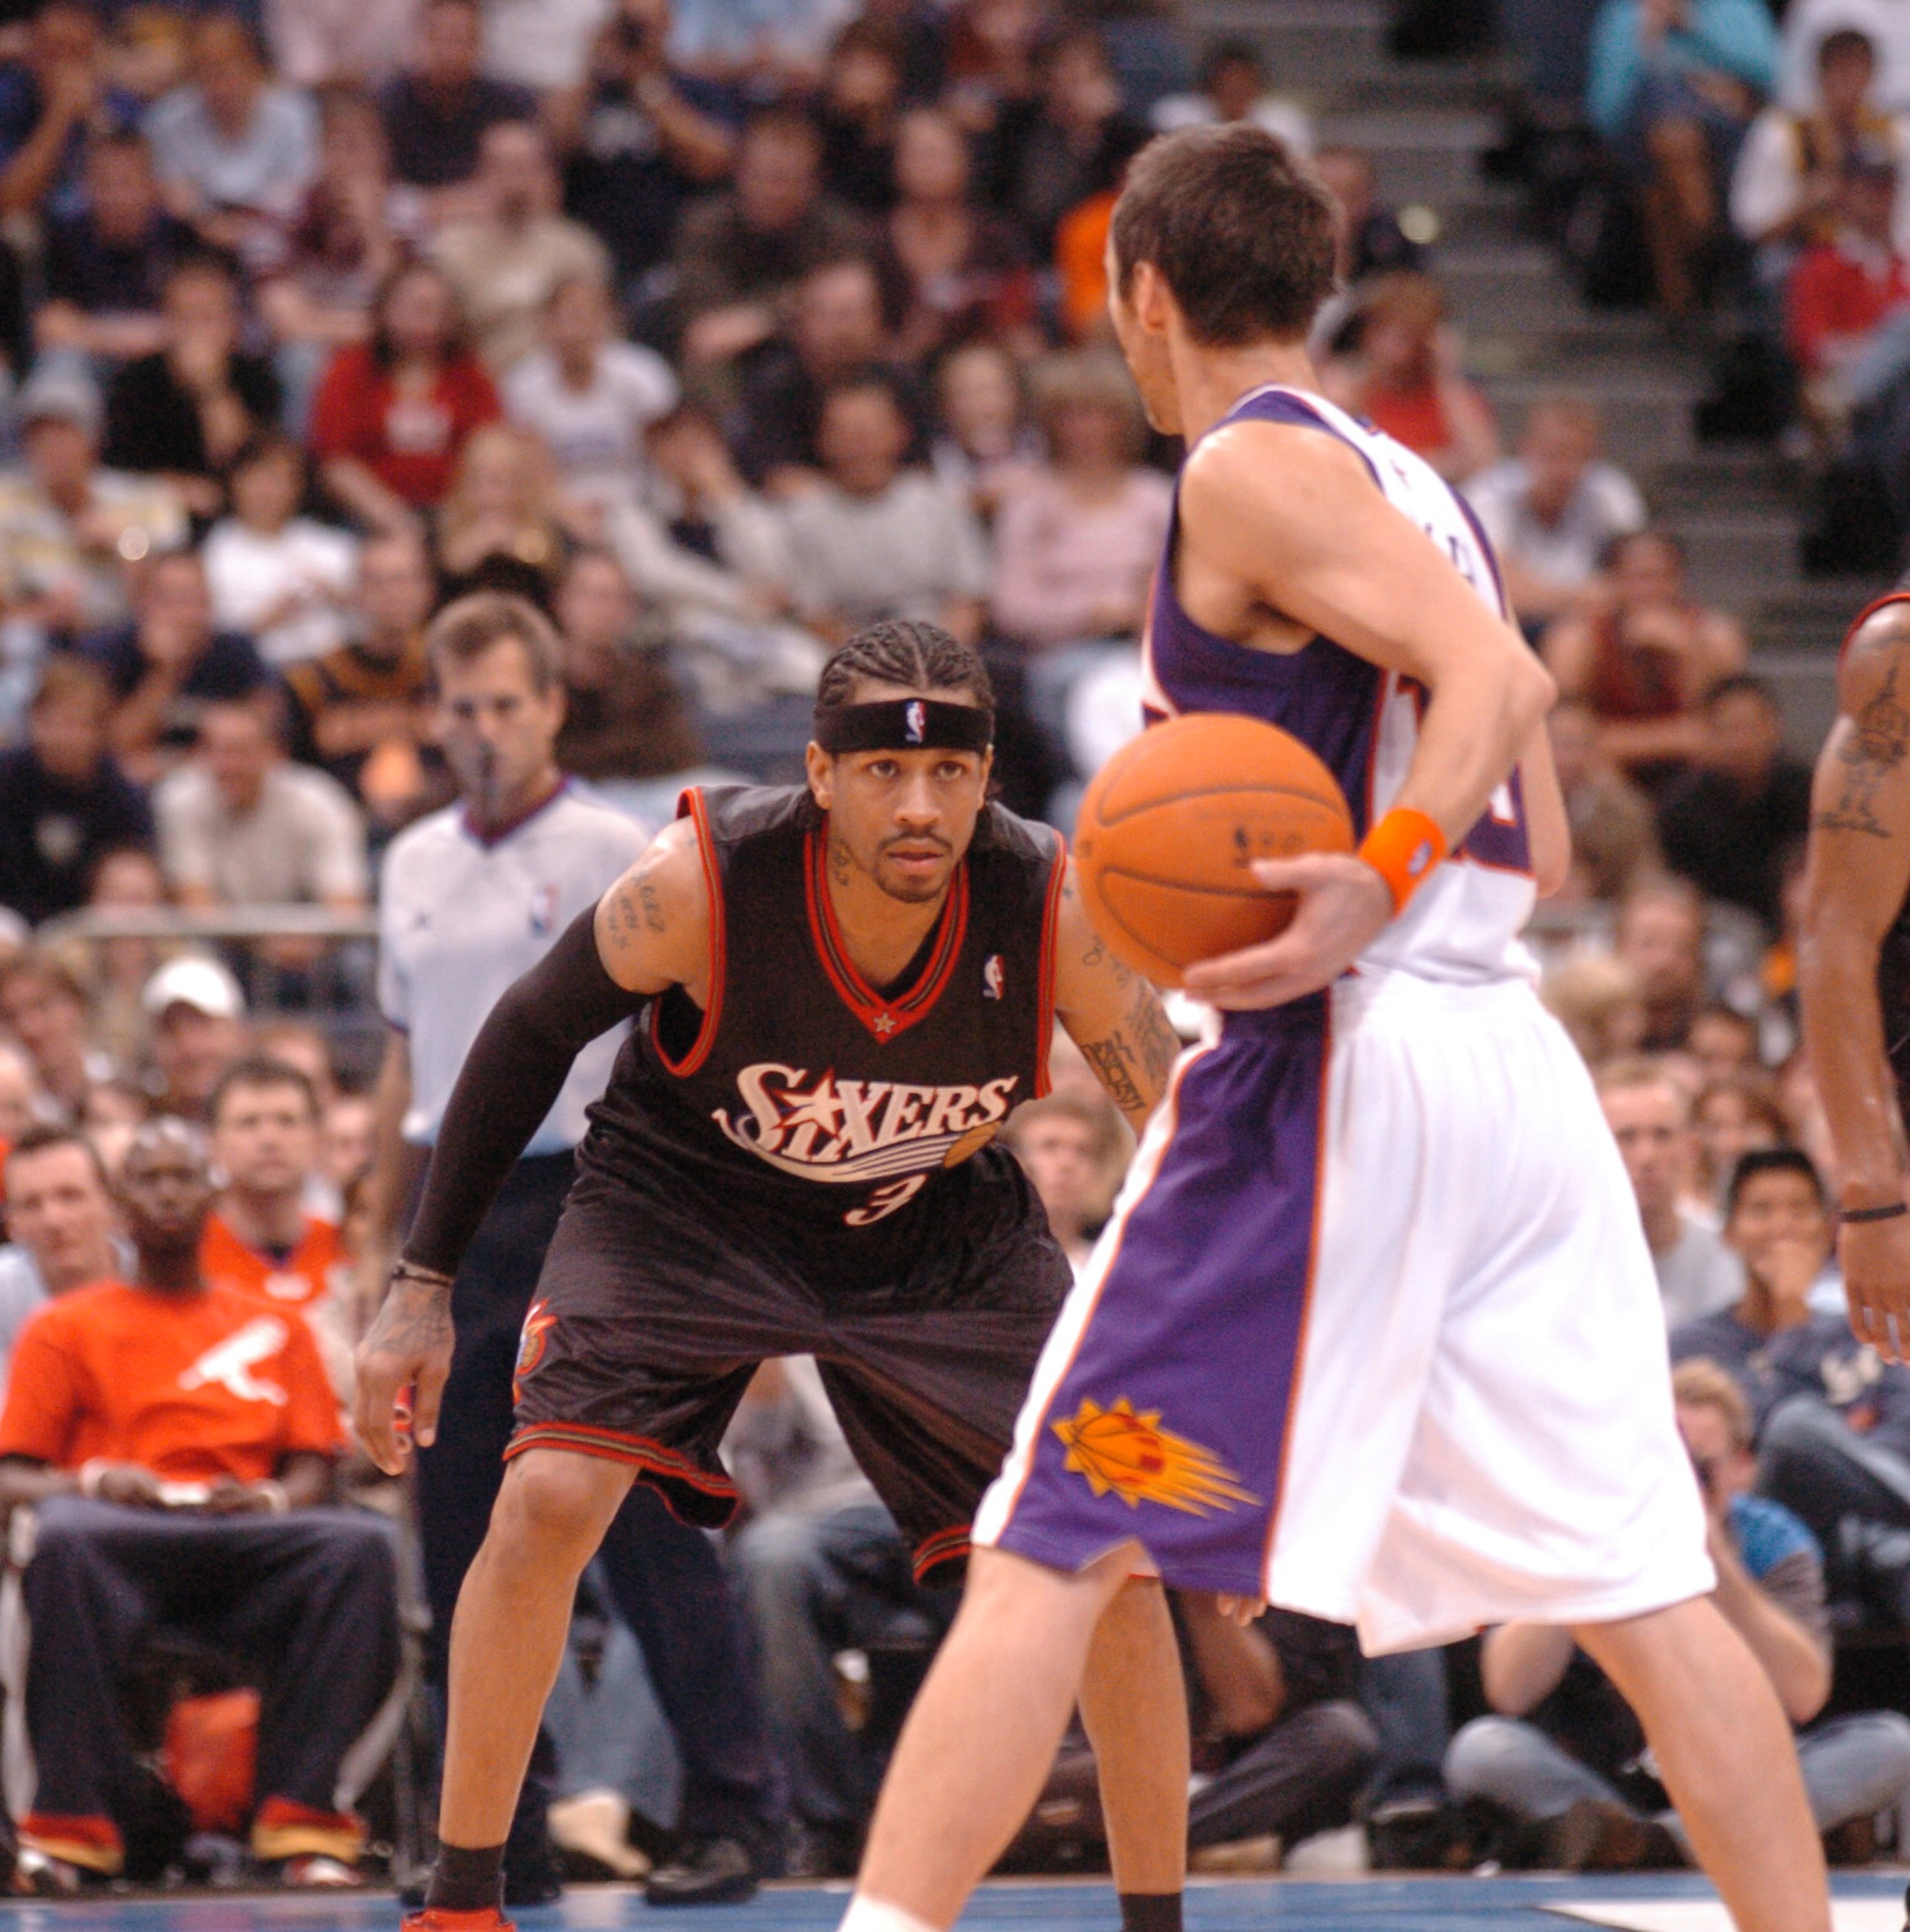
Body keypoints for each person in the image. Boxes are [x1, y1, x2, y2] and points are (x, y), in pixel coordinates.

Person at [839, 124, 1827, 1932]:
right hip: (1510, 1068)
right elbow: (1521, 747)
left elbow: (1505, 689)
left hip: (1338, 1064)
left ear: (1144, 291)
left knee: (1051, 1531)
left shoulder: (1244, 472)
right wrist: (1418, 877)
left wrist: (1372, 872)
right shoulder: (1417, 481)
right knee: (1645, 1579)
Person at [353, 614, 1193, 1932]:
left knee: (1114, 1543)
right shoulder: (701, 877)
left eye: (951, 774)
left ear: (986, 777)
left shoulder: (1055, 908)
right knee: (553, 1490)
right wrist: (420, 1287)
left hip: (938, 1223)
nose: (919, 805)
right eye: (881, 773)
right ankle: (464, 1900)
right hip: (687, 1202)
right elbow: (523, 1034)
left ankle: (1160, 1919)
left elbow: (1182, 1126)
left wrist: (1233, 1341)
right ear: (819, 771)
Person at [357, 591, 781, 1907]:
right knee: (459, 1527)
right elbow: (400, 1061)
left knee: (644, 1518)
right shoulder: (410, 857)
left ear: (551, 705)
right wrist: (381, 1243)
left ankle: (736, 1812)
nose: (483, 727)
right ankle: (496, 1835)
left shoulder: (618, 844)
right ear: (435, 714)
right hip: (455, 1210)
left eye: (506, 702)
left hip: (602, 1198)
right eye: (462, 705)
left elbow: (693, 1044)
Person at [0, 1116, 400, 1887]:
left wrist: (271, 1496)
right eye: (148, 1179)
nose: (168, 1194)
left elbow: (316, 1469)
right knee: (61, 1534)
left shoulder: (276, 1324)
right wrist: (97, 1480)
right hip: (122, 1543)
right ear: (121, 1205)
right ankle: (70, 1832)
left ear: (213, 1192)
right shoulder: (64, 1326)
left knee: (362, 1547)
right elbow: (12, 1474)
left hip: (245, 1542)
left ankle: (304, 1824)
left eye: (184, 1176)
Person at [1447, 1356, 1910, 1867]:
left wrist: (1718, 1564)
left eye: (1697, 1469)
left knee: (1889, 1744)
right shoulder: (1587, 1529)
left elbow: (1803, 1695)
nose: (1679, 1486)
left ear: (1742, 1468)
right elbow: (1510, 1692)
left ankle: (1655, 1846)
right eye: (1663, 1464)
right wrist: (1587, 1554)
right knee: (1483, 1748)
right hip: (1608, 1783)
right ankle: (1689, 1841)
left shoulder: (1773, 1541)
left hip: (1742, 1775)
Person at [782, 373, 990, 648]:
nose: (859, 445)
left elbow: (969, 600)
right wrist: (876, 667)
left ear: (899, 432)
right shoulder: (805, 521)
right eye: (844, 433)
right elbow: (816, 615)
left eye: (869, 432)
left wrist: (935, 661)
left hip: (941, 652)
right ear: (822, 440)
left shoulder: (942, 503)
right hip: (851, 661)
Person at [989, 349, 1171, 655]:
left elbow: (1187, 588)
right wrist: (1090, 614)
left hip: (1148, 646)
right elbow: (1011, 607)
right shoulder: (1029, 502)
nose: (1087, 428)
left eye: (1102, 414)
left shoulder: (1156, 496)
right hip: (1061, 653)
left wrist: (1138, 614)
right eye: (1071, 415)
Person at [309, 259, 501, 537]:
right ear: (385, 309)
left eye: (435, 309)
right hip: (368, 518)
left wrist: (458, 516)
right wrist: (397, 522)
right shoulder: (351, 369)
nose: (424, 319)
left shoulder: (470, 373)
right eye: (414, 307)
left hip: (456, 514)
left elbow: (490, 450)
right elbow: (336, 463)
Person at [100, 255, 283, 515]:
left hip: (238, 518)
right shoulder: (136, 381)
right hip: (155, 513)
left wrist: (212, 390)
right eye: (184, 318)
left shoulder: (257, 379)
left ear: (232, 324)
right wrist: (176, 489)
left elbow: (251, 468)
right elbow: (119, 473)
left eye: (207, 318)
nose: (195, 331)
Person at [428, 119, 610, 377]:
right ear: (481, 173)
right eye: (503, 166)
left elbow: (603, 330)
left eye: (527, 166)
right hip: (481, 385)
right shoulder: (451, 251)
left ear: (547, 173)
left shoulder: (577, 248)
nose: (516, 178)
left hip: (560, 387)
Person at [1462, 399, 1648, 638]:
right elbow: (1497, 590)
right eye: (1551, 453)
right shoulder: (1487, 495)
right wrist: (1583, 597)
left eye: (1575, 454)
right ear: (1524, 448)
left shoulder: (1613, 494)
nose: (1561, 469)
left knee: (1654, 629)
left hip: (1589, 626)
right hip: (1503, 628)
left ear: (1595, 456)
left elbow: (1637, 580)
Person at [282, 529, 437, 807]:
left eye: (402, 581)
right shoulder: (311, 682)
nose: (391, 594)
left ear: (427, 590)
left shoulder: (449, 676)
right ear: (355, 594)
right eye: (376, 582)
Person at [502, 274, 677, 518]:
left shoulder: (643, 374)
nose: (571, 331)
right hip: (558, 512)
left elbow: (666, 459)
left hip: (638, 505)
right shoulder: (523, 385)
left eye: (581, 318)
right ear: (544, 324)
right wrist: (569, 514)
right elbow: (530, 469)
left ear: (606, 320)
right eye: (561, 319)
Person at [0, 657, 154, 927]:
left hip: (94, 931)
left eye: (78, 725)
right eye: (55, 722)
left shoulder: (122, 796)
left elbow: (136, 871)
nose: (65, 737)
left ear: (100, 731)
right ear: (34, 720)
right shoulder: (7, 778)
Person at [1657, 674, 1813, 930]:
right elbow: (1679, 887)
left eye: (1752, 727)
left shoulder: (1807, 790)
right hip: (1714, 933)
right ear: (1706, 732)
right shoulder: (1679, 806)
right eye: (1729, 729)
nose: (1742, 742)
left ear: (1776, 725)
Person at [201, 432, 359, 667]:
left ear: (298, 487)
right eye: (256, 478)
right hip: (253, 673)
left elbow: (373, 620)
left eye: (279, 479)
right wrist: (269, 618)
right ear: (234, 482)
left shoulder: (333, 546)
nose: (267, 491)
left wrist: (337, 597)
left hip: (336, 672)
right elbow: (206, 640)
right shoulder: (212, 553)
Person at [0, 1123, 125, 1391]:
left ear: (110, 1203)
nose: (53, 1220)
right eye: (31, 1204)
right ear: (12, 1225)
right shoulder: (4, 1295)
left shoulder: (154, 1275)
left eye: (71, 1197)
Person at [378, 0, 535, 208]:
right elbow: (374, 186)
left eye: (460, 40)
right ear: (417, 40)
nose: (449, 52)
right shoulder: (386, 104)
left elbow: (534, 187)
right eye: (438, 39)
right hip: (402, 226)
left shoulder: (511, 106)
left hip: (488, 225)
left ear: (480, 45)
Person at [142, 953, 248, 1122]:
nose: (190, 1047)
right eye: (170, 1031)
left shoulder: (279, 1120)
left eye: (202, 1026)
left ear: (238, 1032)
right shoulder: (142, 1131)